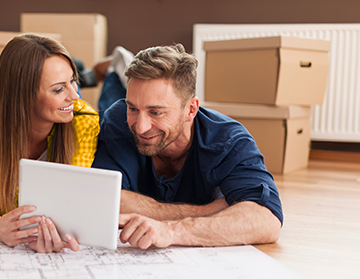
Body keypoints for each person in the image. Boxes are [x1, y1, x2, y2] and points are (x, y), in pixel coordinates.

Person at [91, 44, 283, 249]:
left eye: (156, 112)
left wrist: (173, 230)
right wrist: (208, 211)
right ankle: (116, 66)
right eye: (133, 108)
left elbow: (266, 219)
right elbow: (102, 198)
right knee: (111, 92)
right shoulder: (118, 120)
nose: (140, 127)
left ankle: (116, 63)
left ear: (191, 109)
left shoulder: (228, 141)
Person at [0, 34, 99, 253]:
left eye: (73, 81)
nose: (74, 96)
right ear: (23, 96)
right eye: (58, 89)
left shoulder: (83, 122)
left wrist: (57, 231)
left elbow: (70, 200)